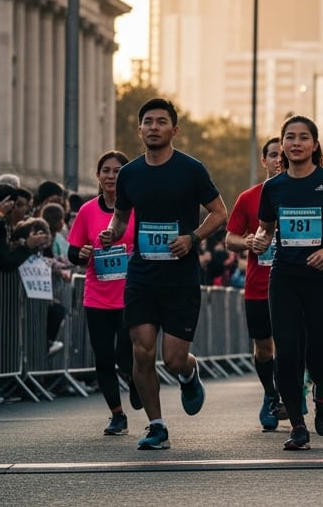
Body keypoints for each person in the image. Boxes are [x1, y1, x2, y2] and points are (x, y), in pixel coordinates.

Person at [99, 98, 227, 451]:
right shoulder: (129, 174)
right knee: (142, 351)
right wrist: (112, 231)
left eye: (161, 121)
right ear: (139, 129)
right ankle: (157, 426)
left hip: (180, 277)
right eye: (148, 122)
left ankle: (189, 372)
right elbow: (121, 217)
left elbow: (219, 213)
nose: (153, 127)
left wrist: (193, 238)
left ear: (174, 129)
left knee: (171, 358)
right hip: (141, 275)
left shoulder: (191, 169)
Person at [251, 116, 323, 451]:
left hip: (322, 279)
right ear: (282, 145)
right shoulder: (273, 187)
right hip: (284, 278)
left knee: (318, 356)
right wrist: (259, 240)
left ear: (314, 144)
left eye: (303, 138)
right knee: (287, 353)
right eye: (289, 138)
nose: (295, 143)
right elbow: (266, 228)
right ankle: (298, 425)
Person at [67, 150, 136, 435]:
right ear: (98, 176)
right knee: (104, 358)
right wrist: (81, 253)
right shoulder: (87, 211)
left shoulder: (136, 209)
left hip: (130, 293)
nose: (111, 176)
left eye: (117, 170)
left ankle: (136, 381)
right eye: (106, 170)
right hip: (97, 294)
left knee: (125, 355)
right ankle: (117, 415)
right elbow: (73, 251)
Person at [224, 138, 285, 430]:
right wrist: (246, 240)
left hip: (295, 285)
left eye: (282, 155)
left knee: (291, 346)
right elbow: (230, 239)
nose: (278, 160)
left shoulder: (305, 194)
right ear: (264, 161)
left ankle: (292, 397)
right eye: (272, 155)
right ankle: (271, 394)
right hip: (258, 286)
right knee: (263, 349)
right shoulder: (248, 197)